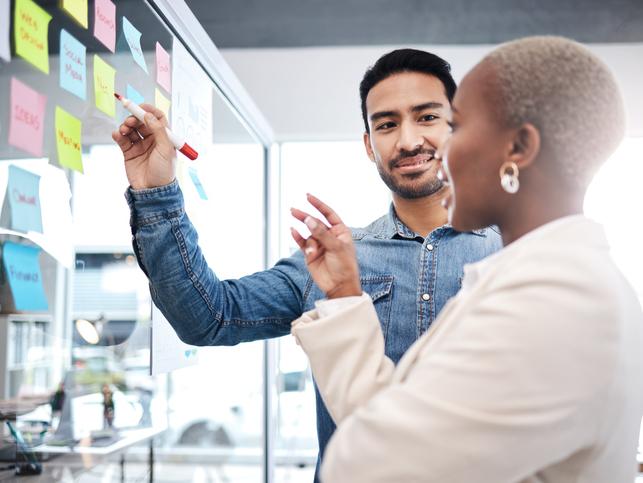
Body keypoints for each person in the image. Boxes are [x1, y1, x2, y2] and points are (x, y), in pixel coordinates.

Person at [112, 49, 501, 474]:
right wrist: (156, 191)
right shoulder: (330, 259)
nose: (407, 140)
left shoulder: (514, 254)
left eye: (426, 117)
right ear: (370, 146)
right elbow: (208, 317)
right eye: (387, 124)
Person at [289, 36, 643, 482]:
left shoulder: (559, 300)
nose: (432, 150)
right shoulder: (539, 279)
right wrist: (343, 296)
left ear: (518, 149)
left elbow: (374, 466)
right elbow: (399, 431)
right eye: (387, 126)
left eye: (453, 125)